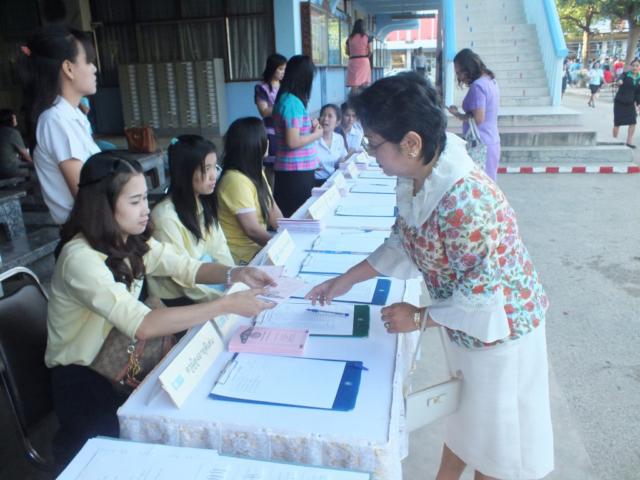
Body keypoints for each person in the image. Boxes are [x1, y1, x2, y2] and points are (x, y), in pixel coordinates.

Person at [307, 72, 554, 480]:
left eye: (374, 144)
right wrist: (345, 280)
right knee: (467, 420)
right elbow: (404, 242)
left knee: (497, 449)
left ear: (411, 142)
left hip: (502, 337)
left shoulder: (463, 200)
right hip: (468, 329)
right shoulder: (419, 174)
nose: (370, 153)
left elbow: (483, 301)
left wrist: (419, 316)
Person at [46, 152, 276, 463]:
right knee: (132, 456)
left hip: (121, 359)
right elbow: (143, 324)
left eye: (146, 198)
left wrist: (236, 273)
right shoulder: (80, 259)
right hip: (84, 380)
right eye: (135, 201)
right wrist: (225, 304)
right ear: (104, 205)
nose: (146, 210)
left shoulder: (130, 240)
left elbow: (185, 266)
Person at [20, 25, 101, 224]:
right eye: (89, 61)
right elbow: (88, 198)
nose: (94, 69)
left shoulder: (71, 115)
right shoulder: (55, 121)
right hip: (87, 233)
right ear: (68, 68)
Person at [149, 135, 234, 306]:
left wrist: (234, 280)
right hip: (177, 301)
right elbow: (182, 279)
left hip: (207, 290)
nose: (214, 176)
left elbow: (220, 249)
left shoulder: (203, 203)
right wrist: (226, 301)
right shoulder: (165, 217)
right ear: (185, 172)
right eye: (206, 169)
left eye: (215, 167)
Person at [217, 117, 283, 264]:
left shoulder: (255, 171)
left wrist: (289, 235)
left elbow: (273, 210)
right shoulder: (235, 180)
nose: (268, 141)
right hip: (244, 258)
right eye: (264, 137)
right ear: (253, 144)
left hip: (259, 249)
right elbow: (252, 230)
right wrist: (280, 245)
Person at [272, 55, 322, 217]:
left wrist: (310, 127)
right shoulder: (291, 103)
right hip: (295, 172)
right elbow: (292, 141)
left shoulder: (288, 99)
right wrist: (317, 134)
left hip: (295, 170)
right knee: (297, 217)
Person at [447, 49, 501, 181]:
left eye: (459, 72)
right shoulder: (490, 80)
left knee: (479, 183)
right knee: (488, 183)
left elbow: (478, 119)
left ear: (468, 68)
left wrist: (457, 114)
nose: (459, 77)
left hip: (480, 145)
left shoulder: (477, 87)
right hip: (491, 140)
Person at [254, 53, 287, 189]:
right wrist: (282, 107)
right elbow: (263, 111)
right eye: (280, 69)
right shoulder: (262, 88)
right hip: (271, 132)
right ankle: (271, 196)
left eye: (284, 69)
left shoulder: (286, 86)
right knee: (271, 168)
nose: (283, 72)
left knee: (285, 166)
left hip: (287, 130)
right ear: (272, 68)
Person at [314, 104, 348, 185]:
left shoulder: (339, 138)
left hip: (334, 180)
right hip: (316, 182)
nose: (325, 119)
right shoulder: (313, 139)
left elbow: (342, 159)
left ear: (337, 122)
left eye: (330, 116)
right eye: (323, 115)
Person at [613, 58, 640, 149]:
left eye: (637, 66)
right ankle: (613, 141)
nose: (635, 67)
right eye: (633, 65)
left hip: (630, 103)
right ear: (630, 66)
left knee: (633, 122)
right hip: (620, 102)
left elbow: (638, 93)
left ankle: (629, 142)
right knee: (617, 123)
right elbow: (619, 80)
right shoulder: (625, 74)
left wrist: (638, 103)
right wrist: (619, 82)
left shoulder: (639, 78)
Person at [0, 108, 32, 178]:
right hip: (9, 169)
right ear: (9, 119)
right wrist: (34, 163)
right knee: (35, 172)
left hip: (2, 168)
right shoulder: (12, 133)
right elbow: (25, 155)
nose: (16, 119)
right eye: (14, 117)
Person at [346, 19, 372, 92]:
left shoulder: (350, 38)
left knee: (354, 82)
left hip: (353, 61)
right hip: (364, 61)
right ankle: (364, 97)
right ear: (363, 27)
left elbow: (347, 52)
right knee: (364, 82)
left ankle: (354, 97)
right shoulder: (367, 37)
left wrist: (354, 54)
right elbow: (370, 51)